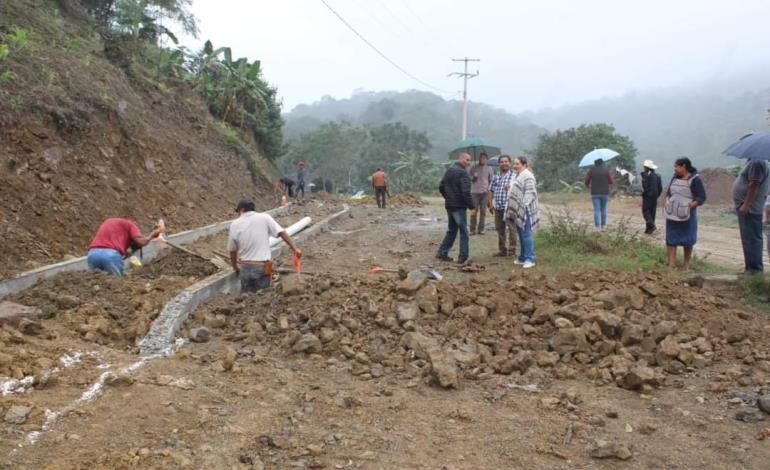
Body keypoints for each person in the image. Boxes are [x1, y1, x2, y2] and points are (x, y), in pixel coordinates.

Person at [228, 199, 301, 293]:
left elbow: (232, 250)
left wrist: (235, 267)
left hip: (245, 267)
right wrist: (294, 249)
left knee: (246, 300)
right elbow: (282, 232)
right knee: (262, 299)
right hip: (262, 266)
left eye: (238, 211)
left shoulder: (235, 224)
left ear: (241, 210)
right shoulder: (264, 218)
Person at [664, 157, 706, 271]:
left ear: (684, 166)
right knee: (671, 238)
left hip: (687, 214)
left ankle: (686, 266)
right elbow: (669, 193)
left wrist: (691, 205)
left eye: (677, 166)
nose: (675, 169)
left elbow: (702, 197)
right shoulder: (674, 178)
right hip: (672, 213)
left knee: (687, 239)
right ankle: (671, 264)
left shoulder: (695, 179)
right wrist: (667, 201)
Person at [87, 217, 162, 277]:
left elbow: (110, 242)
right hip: (110, 255)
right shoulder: (130, 224)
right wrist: (153, 234)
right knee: (116, 285)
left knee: (96, 283)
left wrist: (124, 251)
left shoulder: (109, 221)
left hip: (92, 254)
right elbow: (141, 242)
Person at [733, 158, 770, 273]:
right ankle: (750, 268)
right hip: (750, 207)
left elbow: (754, 184)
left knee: (752, 239)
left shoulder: (757, 161)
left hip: (750, 208)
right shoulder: (755, 161)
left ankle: (754, 270)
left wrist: (746, 205)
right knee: (749, 238)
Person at [437, 152, 474, 263]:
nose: (469, 162)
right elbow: (465, 192)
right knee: (464, 231)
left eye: (469, 160)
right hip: (459, 206)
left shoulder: (449, 171)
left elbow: (441, 186)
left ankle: (442, 253)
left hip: (450, 205)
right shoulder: (463, 173)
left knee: (452, 230)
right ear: (461, 159)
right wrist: (471, 206)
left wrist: (448, 197)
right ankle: (463, 257)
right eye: (467, 160)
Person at [506, 156, 540, 268]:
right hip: (518, 209)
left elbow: (530, 192)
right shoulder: (518, 175)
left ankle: (530, 258)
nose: (515, 166)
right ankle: (523, 257)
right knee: (521, 233)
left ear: (524, 164)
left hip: (526, 209)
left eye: (517, 164)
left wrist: (524, 206)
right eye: (514, 164)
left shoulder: (528, 175)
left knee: (526, 234)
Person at [487, 155, 517, 257]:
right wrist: (491, 204)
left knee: (512, 228)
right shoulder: (496, 177)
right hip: (498, 207)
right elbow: (490, 190)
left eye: (506, 161)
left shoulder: (514, 175)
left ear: (510, 163)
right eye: (502, 162)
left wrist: (511, 187)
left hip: (509, 207)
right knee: (500, 229)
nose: (504, 163)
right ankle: (502, 250)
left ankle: (512, 251)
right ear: (499, 164)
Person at [585, 158, 615, 231]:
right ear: (602, 162)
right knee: (603, 209)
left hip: (595, 193)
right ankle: (603, 226)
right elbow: (611, 181)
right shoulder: (606, 170)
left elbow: (586, 180)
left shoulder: (591, 170)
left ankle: (597, 227)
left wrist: (587, 185)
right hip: (604, 192)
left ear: (595, 162)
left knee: (596, 210)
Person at [469, 152, 494, 235]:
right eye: (481, 157)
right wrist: (474, 177)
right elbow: (470, 179)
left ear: (486, 159)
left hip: (485, 193)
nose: (482, 159)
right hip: (474, 192)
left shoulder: (489, 168)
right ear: (478, 158)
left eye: (484, 158)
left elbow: (491, 181)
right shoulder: (473, 168)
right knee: (474, 211)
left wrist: (490, 192)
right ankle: (472, 229)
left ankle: (481, 229)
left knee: (483, 211)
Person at [640, 160, 663, 234]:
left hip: (648, 196)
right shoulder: (657, 176)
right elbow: (660, 188)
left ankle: (652, 226)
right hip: (655, 196)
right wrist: (657, 195)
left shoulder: (646, 175)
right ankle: (648, 230)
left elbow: (645, 187)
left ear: (646, 167)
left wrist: (645, 193)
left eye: (644, 167)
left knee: (645, 211)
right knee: (652, 212)